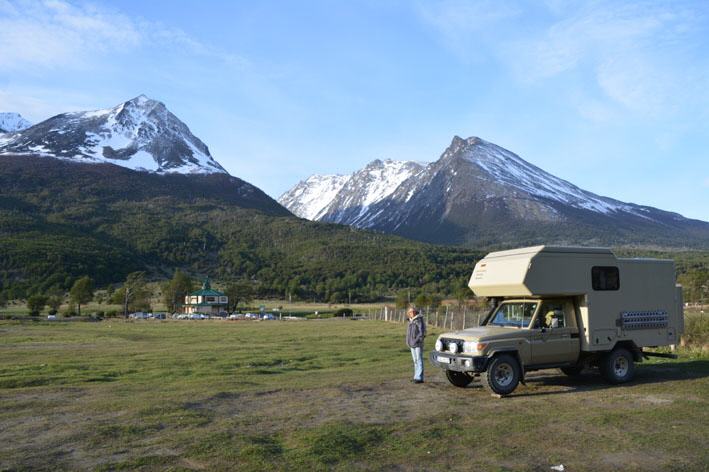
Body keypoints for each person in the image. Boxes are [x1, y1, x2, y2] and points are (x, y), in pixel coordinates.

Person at [406, 306, 426, 384]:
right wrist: (407, 341)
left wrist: (417, 340)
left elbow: (422, 332)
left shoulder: (419, 320)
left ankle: (419, 378)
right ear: (408, 313)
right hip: (411, 344)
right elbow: (408, 333)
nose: (412, 313)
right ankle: (416, 377)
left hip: (417, 344)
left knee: (419, 359)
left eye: (413, 311)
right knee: (415, 361)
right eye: (410, 312)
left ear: (415, 312)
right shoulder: (410, 321)